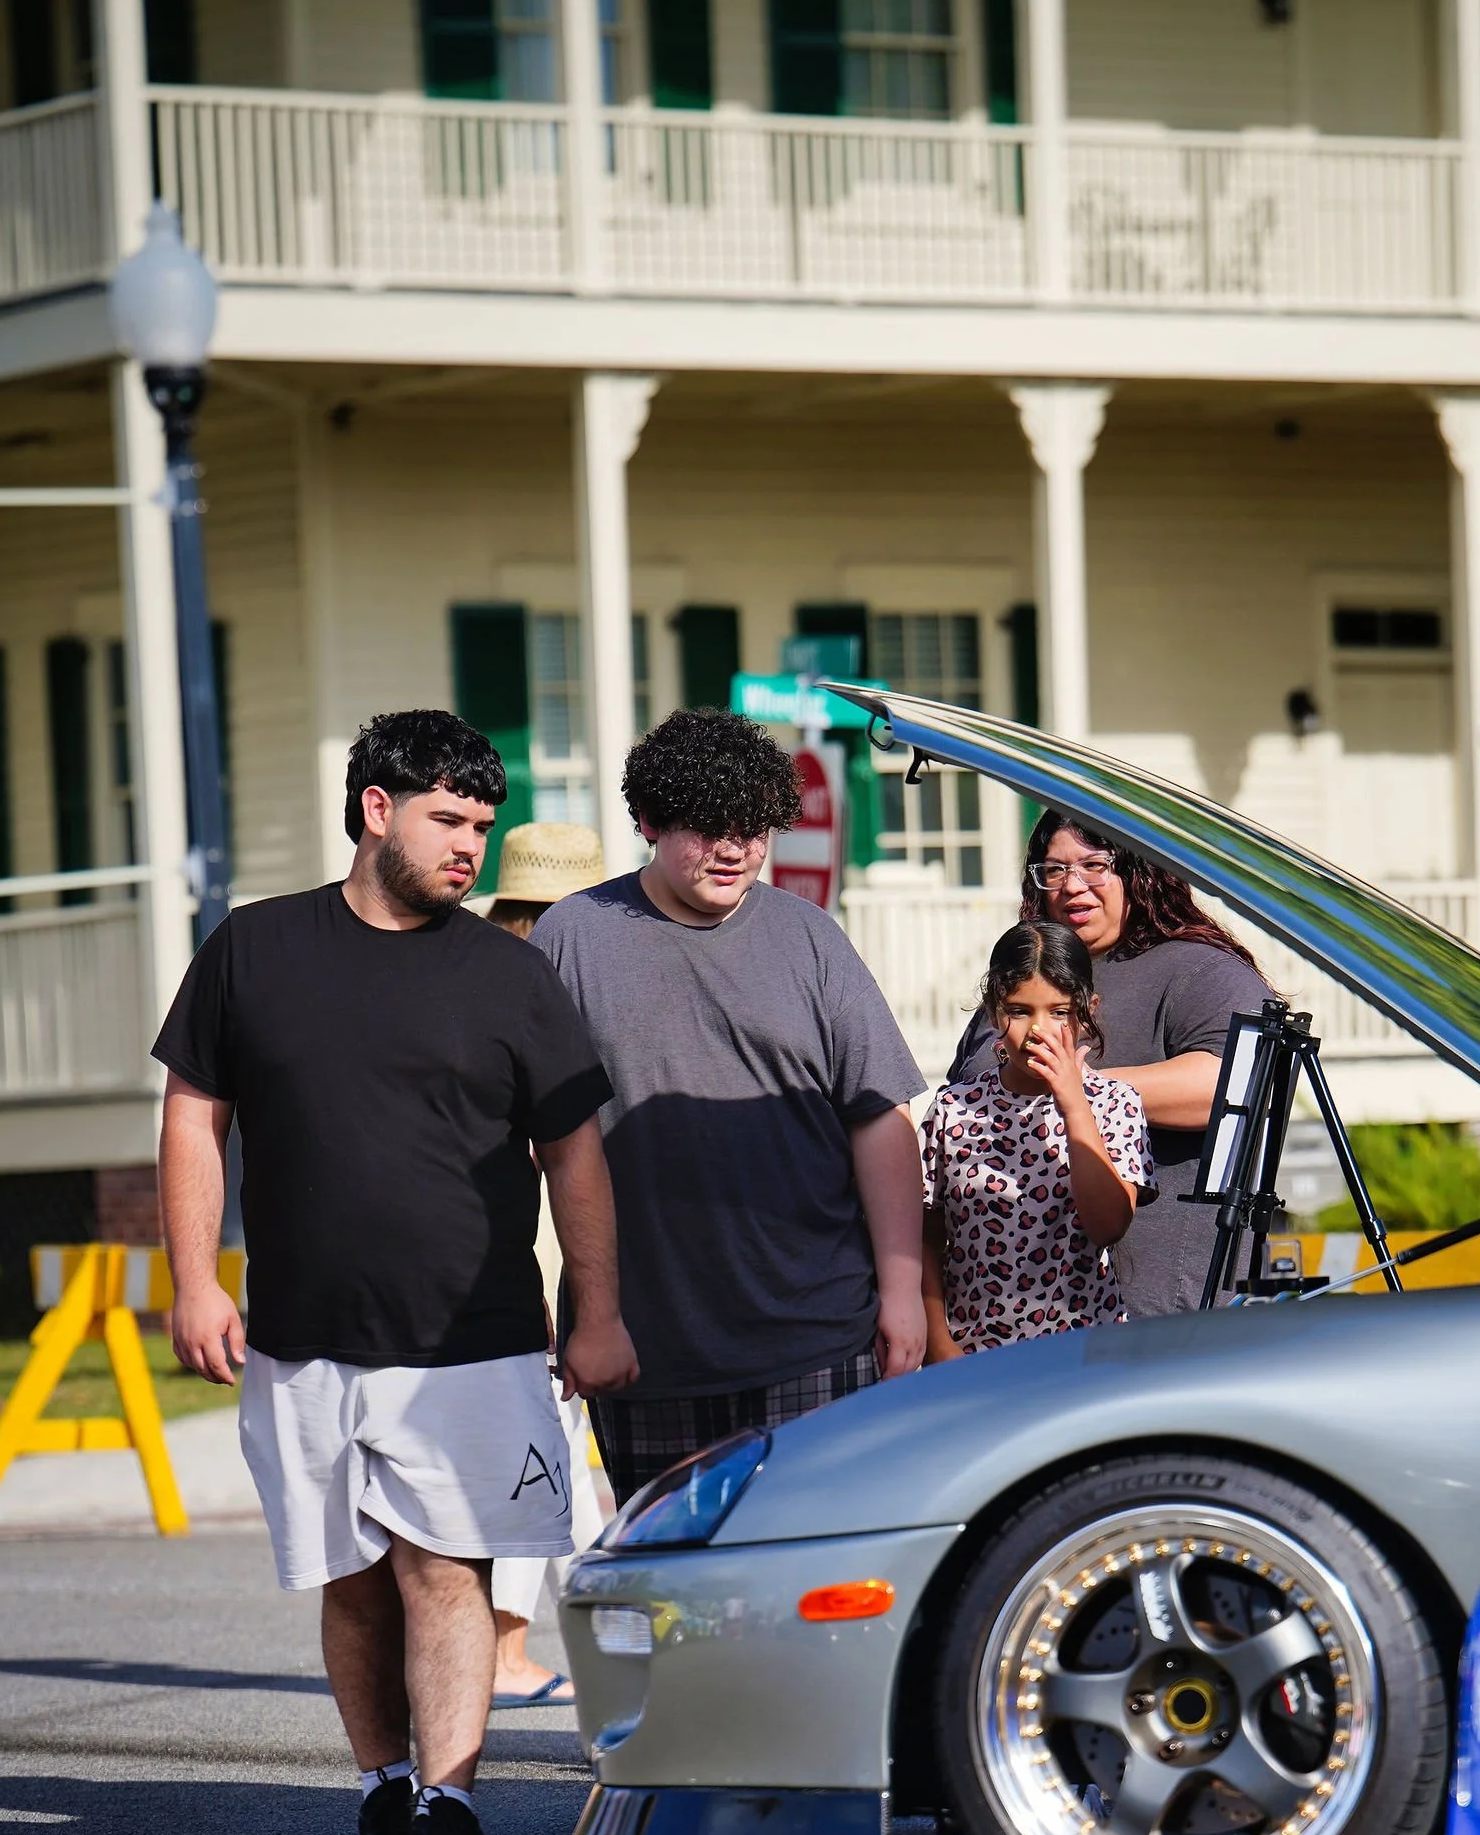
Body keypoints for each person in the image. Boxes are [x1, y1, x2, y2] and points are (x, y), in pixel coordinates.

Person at [155, 712, 639, 1835]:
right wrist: (195, 1279)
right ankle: (383, 1783)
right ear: (377, 808)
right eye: (449, 819)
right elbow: (191, 1118)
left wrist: (597, 1310)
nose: (471, 846)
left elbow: (573, 1153)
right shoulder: (253, 949)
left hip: (468, 1339)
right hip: (299, 1335)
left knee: (447, 1569)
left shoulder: (506, 972)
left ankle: (451, 1800)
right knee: (351, 1578)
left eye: (482, 825)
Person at [531, 708, 927, 1508]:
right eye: (708, 827)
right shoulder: (570, 937)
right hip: (646, 1350)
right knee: (668, 1599)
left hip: (818, 1338)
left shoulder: (812, 937)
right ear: (647, 820)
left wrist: (900, 1292)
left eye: (754, 829)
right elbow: (521, 1139)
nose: (735, 849)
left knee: (816, 1579)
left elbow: (880, 1119)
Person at [946, 811, 1273, 1317]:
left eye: (1094, 864)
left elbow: (1232, 1089)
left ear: (1138, 870)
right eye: (1053, 870)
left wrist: (1078, 1086)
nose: (1073, 886)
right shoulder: (1020, 976)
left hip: (1160, 1311)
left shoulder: (1200, 970)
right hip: (1002, 1315)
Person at [478, 821, 611, 1704]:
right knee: (543, 1458)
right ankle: (506, 1650)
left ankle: (593, 1641)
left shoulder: (472, 973)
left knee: (558, 1466)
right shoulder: (561, 990)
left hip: (492, 1251)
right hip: (542, 1254)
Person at [921, 921, 1153, 1360]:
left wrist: (1072, 1103)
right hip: (974, 1359)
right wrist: (939, 1344)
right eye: (1020, 1010)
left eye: (1059, 1012)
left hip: (1085, 1356)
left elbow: (1109, 1225)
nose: (1038, 1031)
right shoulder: (955, 1108)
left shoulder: (1115, 1104)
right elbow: (924, 1237)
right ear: (993, 1013)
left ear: (1088, 1012)